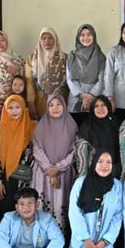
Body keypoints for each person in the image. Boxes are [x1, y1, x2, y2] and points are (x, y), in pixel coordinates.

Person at [68, 150, 123, 248]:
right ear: (93, 163)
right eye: (100, 161)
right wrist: (86, 240)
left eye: (108, 162)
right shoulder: (81, 183)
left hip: (104, 241)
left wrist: (105, 241)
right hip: (83, 242)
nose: (104, 166)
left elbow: (118, 216)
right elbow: (74, 213)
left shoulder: (117, 186)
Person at [31, 94, 78, 230]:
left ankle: (59, 244)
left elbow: (74, 151)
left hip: (64, 175)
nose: (55, 108)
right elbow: (37, 150)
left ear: (64, 106)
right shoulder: (41, 126)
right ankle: (41, 244)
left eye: (58, 104)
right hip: (43, 175)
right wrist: (51, 172)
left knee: (60, 210)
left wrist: (58, 168)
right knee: (42, 211)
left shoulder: (72, 126)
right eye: (51, 105)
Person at [0, 95, 36, 232]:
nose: (14, 111)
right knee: (3, 213)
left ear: (23, 109)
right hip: (2, 178)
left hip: (20, 180)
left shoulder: (30, 127)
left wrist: (19, 181)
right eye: (10, 107)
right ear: (5, 109)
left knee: (20, 212)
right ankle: (1, 246)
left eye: (17, 107)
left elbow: (30, 155)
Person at [65, 24, 106, 124]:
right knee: (76, 130)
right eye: (82, 35)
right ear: (78, 37)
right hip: (75, 99)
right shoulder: (72, 56)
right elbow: (69, 79)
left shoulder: (100, 57)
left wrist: (90, 96)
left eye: (89, 34)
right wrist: (82, 95)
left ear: (94, 36)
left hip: (95, 100)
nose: (86, 38)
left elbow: (102, 79)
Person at [25, 27, 68, 120]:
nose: (47, 41)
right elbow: (29, 83)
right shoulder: (32, 59)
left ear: (55, 39)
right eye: (44, 38)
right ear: (40, 40)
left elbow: (69, 82)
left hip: (60, 102)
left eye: (50, 38)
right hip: (40, 102)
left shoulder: (64, 57)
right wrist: (31, 103)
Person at [74, 96, 119, 177]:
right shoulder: (86, 127)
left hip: (114, 173)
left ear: (108, 107)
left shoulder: (115, 123)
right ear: (92, 109)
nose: (100, 108)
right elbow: (82, 158)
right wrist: (83, 179)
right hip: (93, 173)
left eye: (103, 105)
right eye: (96, 106)